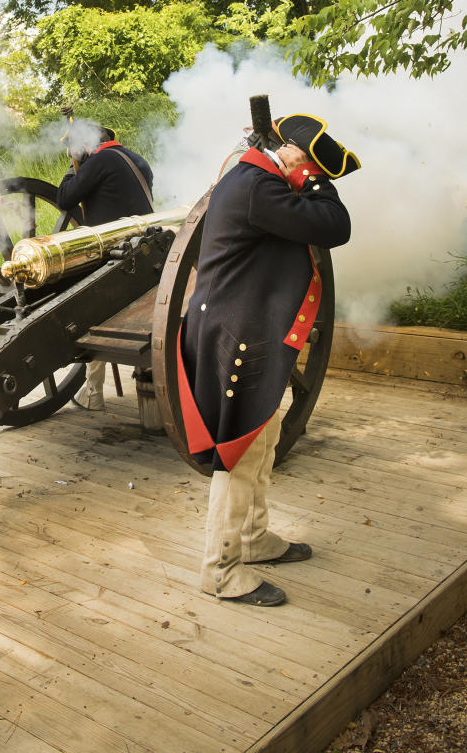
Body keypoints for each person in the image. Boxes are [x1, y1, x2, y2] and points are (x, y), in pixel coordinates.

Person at [178, 112, 360, 606]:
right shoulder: (259, 186)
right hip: (235, 335)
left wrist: (304, 178)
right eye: (312, 164)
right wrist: (313, 183)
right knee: (239, 451)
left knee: (264, 437)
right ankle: (219, 568)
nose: (314, 174)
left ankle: (253, 539)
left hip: (245, 328)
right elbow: (335, 225)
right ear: (295, 157)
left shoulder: (255, 177)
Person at [57, 123, 154, 409]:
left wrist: (74, 170)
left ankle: (94, 393)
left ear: (86, 146)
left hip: (112, 252)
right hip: (144, 250)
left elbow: (65, 197)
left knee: (92, 315)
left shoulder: (99, 161)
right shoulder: (138, 160)